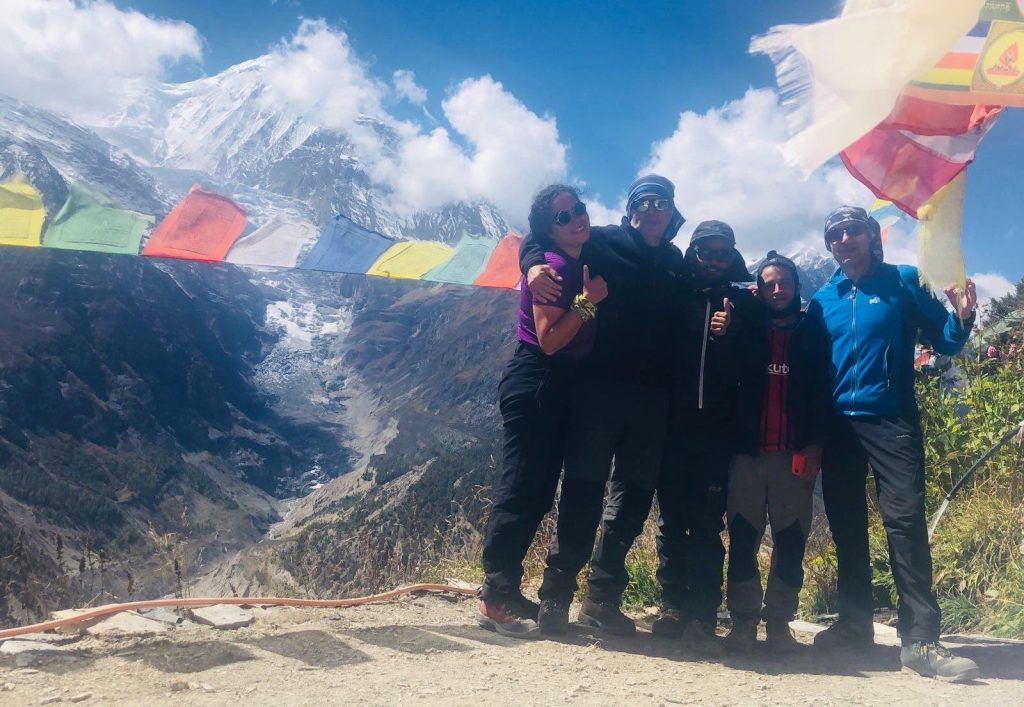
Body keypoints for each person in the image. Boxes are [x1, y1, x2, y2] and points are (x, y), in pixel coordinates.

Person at [808, 206, 980, 682]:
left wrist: (961, 317)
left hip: (893, 421)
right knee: (846, 525)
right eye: (836, 234)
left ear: (870, 236)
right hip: (839, 426)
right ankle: (854, 624)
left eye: (854, 231)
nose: (846, 239)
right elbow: (811, 367)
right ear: (830, 245)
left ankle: (921, 640)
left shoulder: (904, 280)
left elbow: (944, 341)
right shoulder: (823, 298)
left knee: (904, 524)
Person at [519, 174, 686, 635]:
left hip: (654, 399)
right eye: (643, 202)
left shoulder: (677, 260)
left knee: (631, 500)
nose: (652, 210)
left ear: (672, 212)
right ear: (630, 209)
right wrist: (531, 264)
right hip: (599, 390)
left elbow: (722, 271)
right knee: (583, 491)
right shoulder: (604, 241)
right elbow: (541, 237)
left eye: (662, 203)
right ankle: (555, 596)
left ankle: (602, 600)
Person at [478, 184, 608, 638]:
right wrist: (588, 301)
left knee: (533, 489)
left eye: (579, 209)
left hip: (553, 388)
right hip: (538, 380)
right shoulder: (553, 267)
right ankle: (496, 597)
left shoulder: (571, 257)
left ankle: (504, 591)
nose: (576, 218)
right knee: (522, 488)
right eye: (563, 216)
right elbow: (549, 339)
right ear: (548, 229)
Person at [649, 220, 759, 654]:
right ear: (692, 252)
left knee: (707, 524)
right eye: (705, 251)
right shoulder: (674, 293)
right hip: (671, 426)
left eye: (722, 252)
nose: (714, 259)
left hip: (717, 431)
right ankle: (673, 604)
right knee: (671, 519)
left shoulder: (744, 305)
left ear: (732, 256)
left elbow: (747, 373)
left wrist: (727, 337)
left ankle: (703, 613)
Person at [722, 251, 832, 653]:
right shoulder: (746, 328)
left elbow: (823, 393)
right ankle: (743, 621)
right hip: (746, 453)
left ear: (797, 286)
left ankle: (780, 623)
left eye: (784, 282)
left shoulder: (812, 332)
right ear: (759, 289)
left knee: (791, 540)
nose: (777, 289)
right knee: (743, 537)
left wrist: (816, 447)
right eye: (768, 283)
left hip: (794, 456)